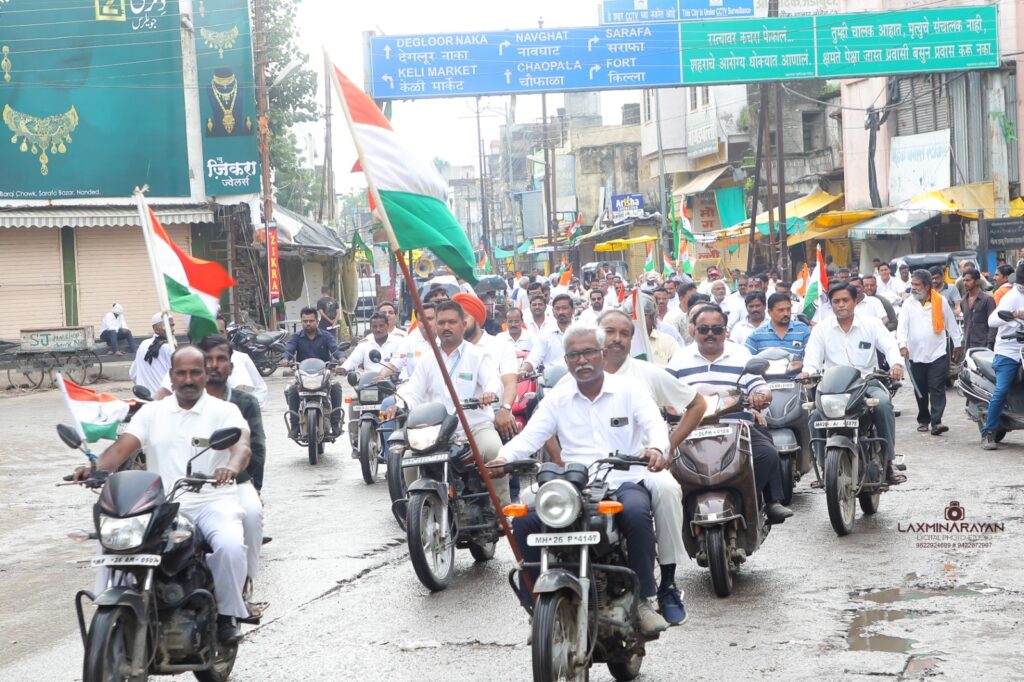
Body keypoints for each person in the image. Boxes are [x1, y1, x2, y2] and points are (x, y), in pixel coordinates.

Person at [490, 324, 672, 636]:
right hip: (571, 486)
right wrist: (504, 459)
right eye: (573, 355)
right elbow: (531, 436)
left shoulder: (631, 389)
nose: (582, 360)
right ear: (566, 359)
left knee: (637, 514)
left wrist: (656, 448)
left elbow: (655, 425)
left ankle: (644, 600)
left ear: (602, 354)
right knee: (523, 520)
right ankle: (536, 604)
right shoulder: (557, 397)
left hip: (622, 479)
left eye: (588, 352)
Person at [71, 346, 252, 643]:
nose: (188, 379)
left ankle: (229, 614)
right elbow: (121, 449)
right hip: (161, 505)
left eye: (195, 372)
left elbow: (242, 446)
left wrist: (230, 467)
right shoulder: (153, 412)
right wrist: (93, 469)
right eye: (181, 373)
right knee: (111, 542)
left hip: (212, 501)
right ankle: (106, 607)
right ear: (171, 376)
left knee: (230, 546)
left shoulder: (225, 411)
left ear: (206, 374)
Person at [595, 310, 706, 624]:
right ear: (596, 335)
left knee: (668, 490)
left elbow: (697, 404)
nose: (616, 339)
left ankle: (667, 583)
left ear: (633, 339)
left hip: (642, 468)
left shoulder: (647, 373)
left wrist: (668, 446)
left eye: (624, 334)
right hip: (592, 471)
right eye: (609, 332)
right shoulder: (580, 373)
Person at [666, 306, 794, 523]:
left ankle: (756, 500)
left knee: (768, 453)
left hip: (735, 426)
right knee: (662, 462)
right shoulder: (679, 358)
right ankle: (678, 511)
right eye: (704, 328)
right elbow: (663, 390)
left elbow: (760, 387)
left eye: (716, 329)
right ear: (694, 330)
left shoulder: (741, 354)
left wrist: (760, 396)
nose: (710, 334)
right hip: (690, 429)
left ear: (725, 331)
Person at [383, 300, 508, 503]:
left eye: (452, 322)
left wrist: (489, 392)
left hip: (474, 428)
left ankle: (502, 509)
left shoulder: (478, 355)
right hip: (436, 432)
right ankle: (415, 508)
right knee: (409, 460)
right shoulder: (428, 359)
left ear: (463, 324)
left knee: (494, 450)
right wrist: (399, 404)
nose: (446, 327)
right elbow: (413, 391)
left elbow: (493, 381)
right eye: (441, 323)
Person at [800, 284, 906, 484]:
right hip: (833, 387)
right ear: (830, 305)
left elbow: (890, 346)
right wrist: (807, 372)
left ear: (855, 301)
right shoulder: (821, 329)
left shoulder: (872, 324)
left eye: (845, 300)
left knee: (883, 404)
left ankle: (888, 463)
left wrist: (896, 364)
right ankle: (825, 469)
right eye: (836, 302)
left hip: (867, 382)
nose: (841, 305)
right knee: (814, 415)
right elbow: (812, 359)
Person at [197, 335, 266, 620]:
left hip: (235, 483)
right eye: (208, 359)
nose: (214, 365)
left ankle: (242, 587)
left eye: (220, 359)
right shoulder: (186, 400)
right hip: (189, 486)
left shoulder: (243, 402)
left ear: (230, 364)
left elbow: (257, 449)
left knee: (251, 514)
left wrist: (252, 484)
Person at [896, 270, 962, 436]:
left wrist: (957, 343)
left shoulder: (941, 301)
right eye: (912, 285)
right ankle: (923, 420)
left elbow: (951, 323)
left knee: (937, 387)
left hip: (938, 353)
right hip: (915, 355)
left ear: (927, 286)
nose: (914, 289)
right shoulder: (908, 304)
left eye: (917, 285)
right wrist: (902, 345)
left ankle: (936, 421)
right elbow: (901, 327)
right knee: (921, 389)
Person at [454, 292, 519, 442]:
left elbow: (510, 383)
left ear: (477, 318)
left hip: (494, 412)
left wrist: (506, 409)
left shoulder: (500, 345)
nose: (459, 324)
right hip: (454, 417)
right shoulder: (448, 350)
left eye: (464, 317)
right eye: (455, 320)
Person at [280, 307, 345, 438]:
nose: (308, 323)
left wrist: (341, 358)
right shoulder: (296, 337)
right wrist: (285, 359)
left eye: (311, 320)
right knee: (292, 390)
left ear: (317, 321)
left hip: (324, 374)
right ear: (301, 322)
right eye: (305, 321)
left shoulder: (326, 336)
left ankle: (335, 423)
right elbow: (288, 350)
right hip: (303, 375)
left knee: (336, 387)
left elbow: (335, 349)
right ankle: (294, 426)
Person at [981, 263, 1024, 450]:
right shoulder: (1011, 296)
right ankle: (988, 432)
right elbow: (992, 320)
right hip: (1009, 352)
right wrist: (1013, 315)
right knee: (1002, 389)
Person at [379, 303, 437, 381]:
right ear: (417, 322)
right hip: (415, 388)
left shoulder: (447, 338)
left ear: (438, 319)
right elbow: (394, 363)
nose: (426, 323)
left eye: (429, 319)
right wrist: (382, 375)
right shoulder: (410, 339)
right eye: (422, 320)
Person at [521, 293, 575, 375]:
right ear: (553, 312)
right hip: (551, 381)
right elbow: (534, 357)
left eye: (564, 308)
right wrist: (523, 370)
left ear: (573, 310)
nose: (561, 312)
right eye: (557, 309)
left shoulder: (581, 332)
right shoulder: (545, 334)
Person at [747, 293, 812, 355]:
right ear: (770, 312)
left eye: (788, 309)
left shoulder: (802, 330)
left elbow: (811, 356)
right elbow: (746, 360)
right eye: (781, 310)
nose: (786, 313)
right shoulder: (757, 335)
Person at [130, 313, 175, 394]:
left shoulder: (143, 344)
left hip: (144, 399)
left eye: (173, 326)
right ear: (156, 329)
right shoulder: (169, 348)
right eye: (169, 326)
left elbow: (133, 374)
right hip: (164, 399)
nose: (173, 329)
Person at [962, 269, 996, 350]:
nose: (965, 283)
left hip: (984, 346)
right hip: (968, 346)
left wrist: (990, 344)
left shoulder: (987, 300)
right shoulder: (963, 301)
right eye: (963, 280)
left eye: (968, 280)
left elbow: (993, 325)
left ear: (977, 281)